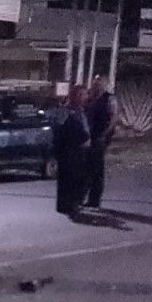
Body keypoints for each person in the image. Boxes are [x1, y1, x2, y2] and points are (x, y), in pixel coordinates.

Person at [53, 85, 92, 216]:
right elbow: (59, 130)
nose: (83, 98)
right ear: (73, 96)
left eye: (85, 95)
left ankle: (76, 202)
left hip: (83, 149)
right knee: (68, 178)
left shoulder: (82, 111)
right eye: (80, 95)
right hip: (69, 150)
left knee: (80, 178)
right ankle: (67, 204)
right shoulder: (65, 111)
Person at [84, 76, 117, 208]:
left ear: (105, 84)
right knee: (86, 168)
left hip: (100, 137)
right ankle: (84, 197)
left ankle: (94, 199)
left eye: (99, 82)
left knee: (96, 169)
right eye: (95, 82)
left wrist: (105, 133)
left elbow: (114, 116)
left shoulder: (109, 98)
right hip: (88, 137)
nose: (96, 84)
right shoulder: (90, 98)